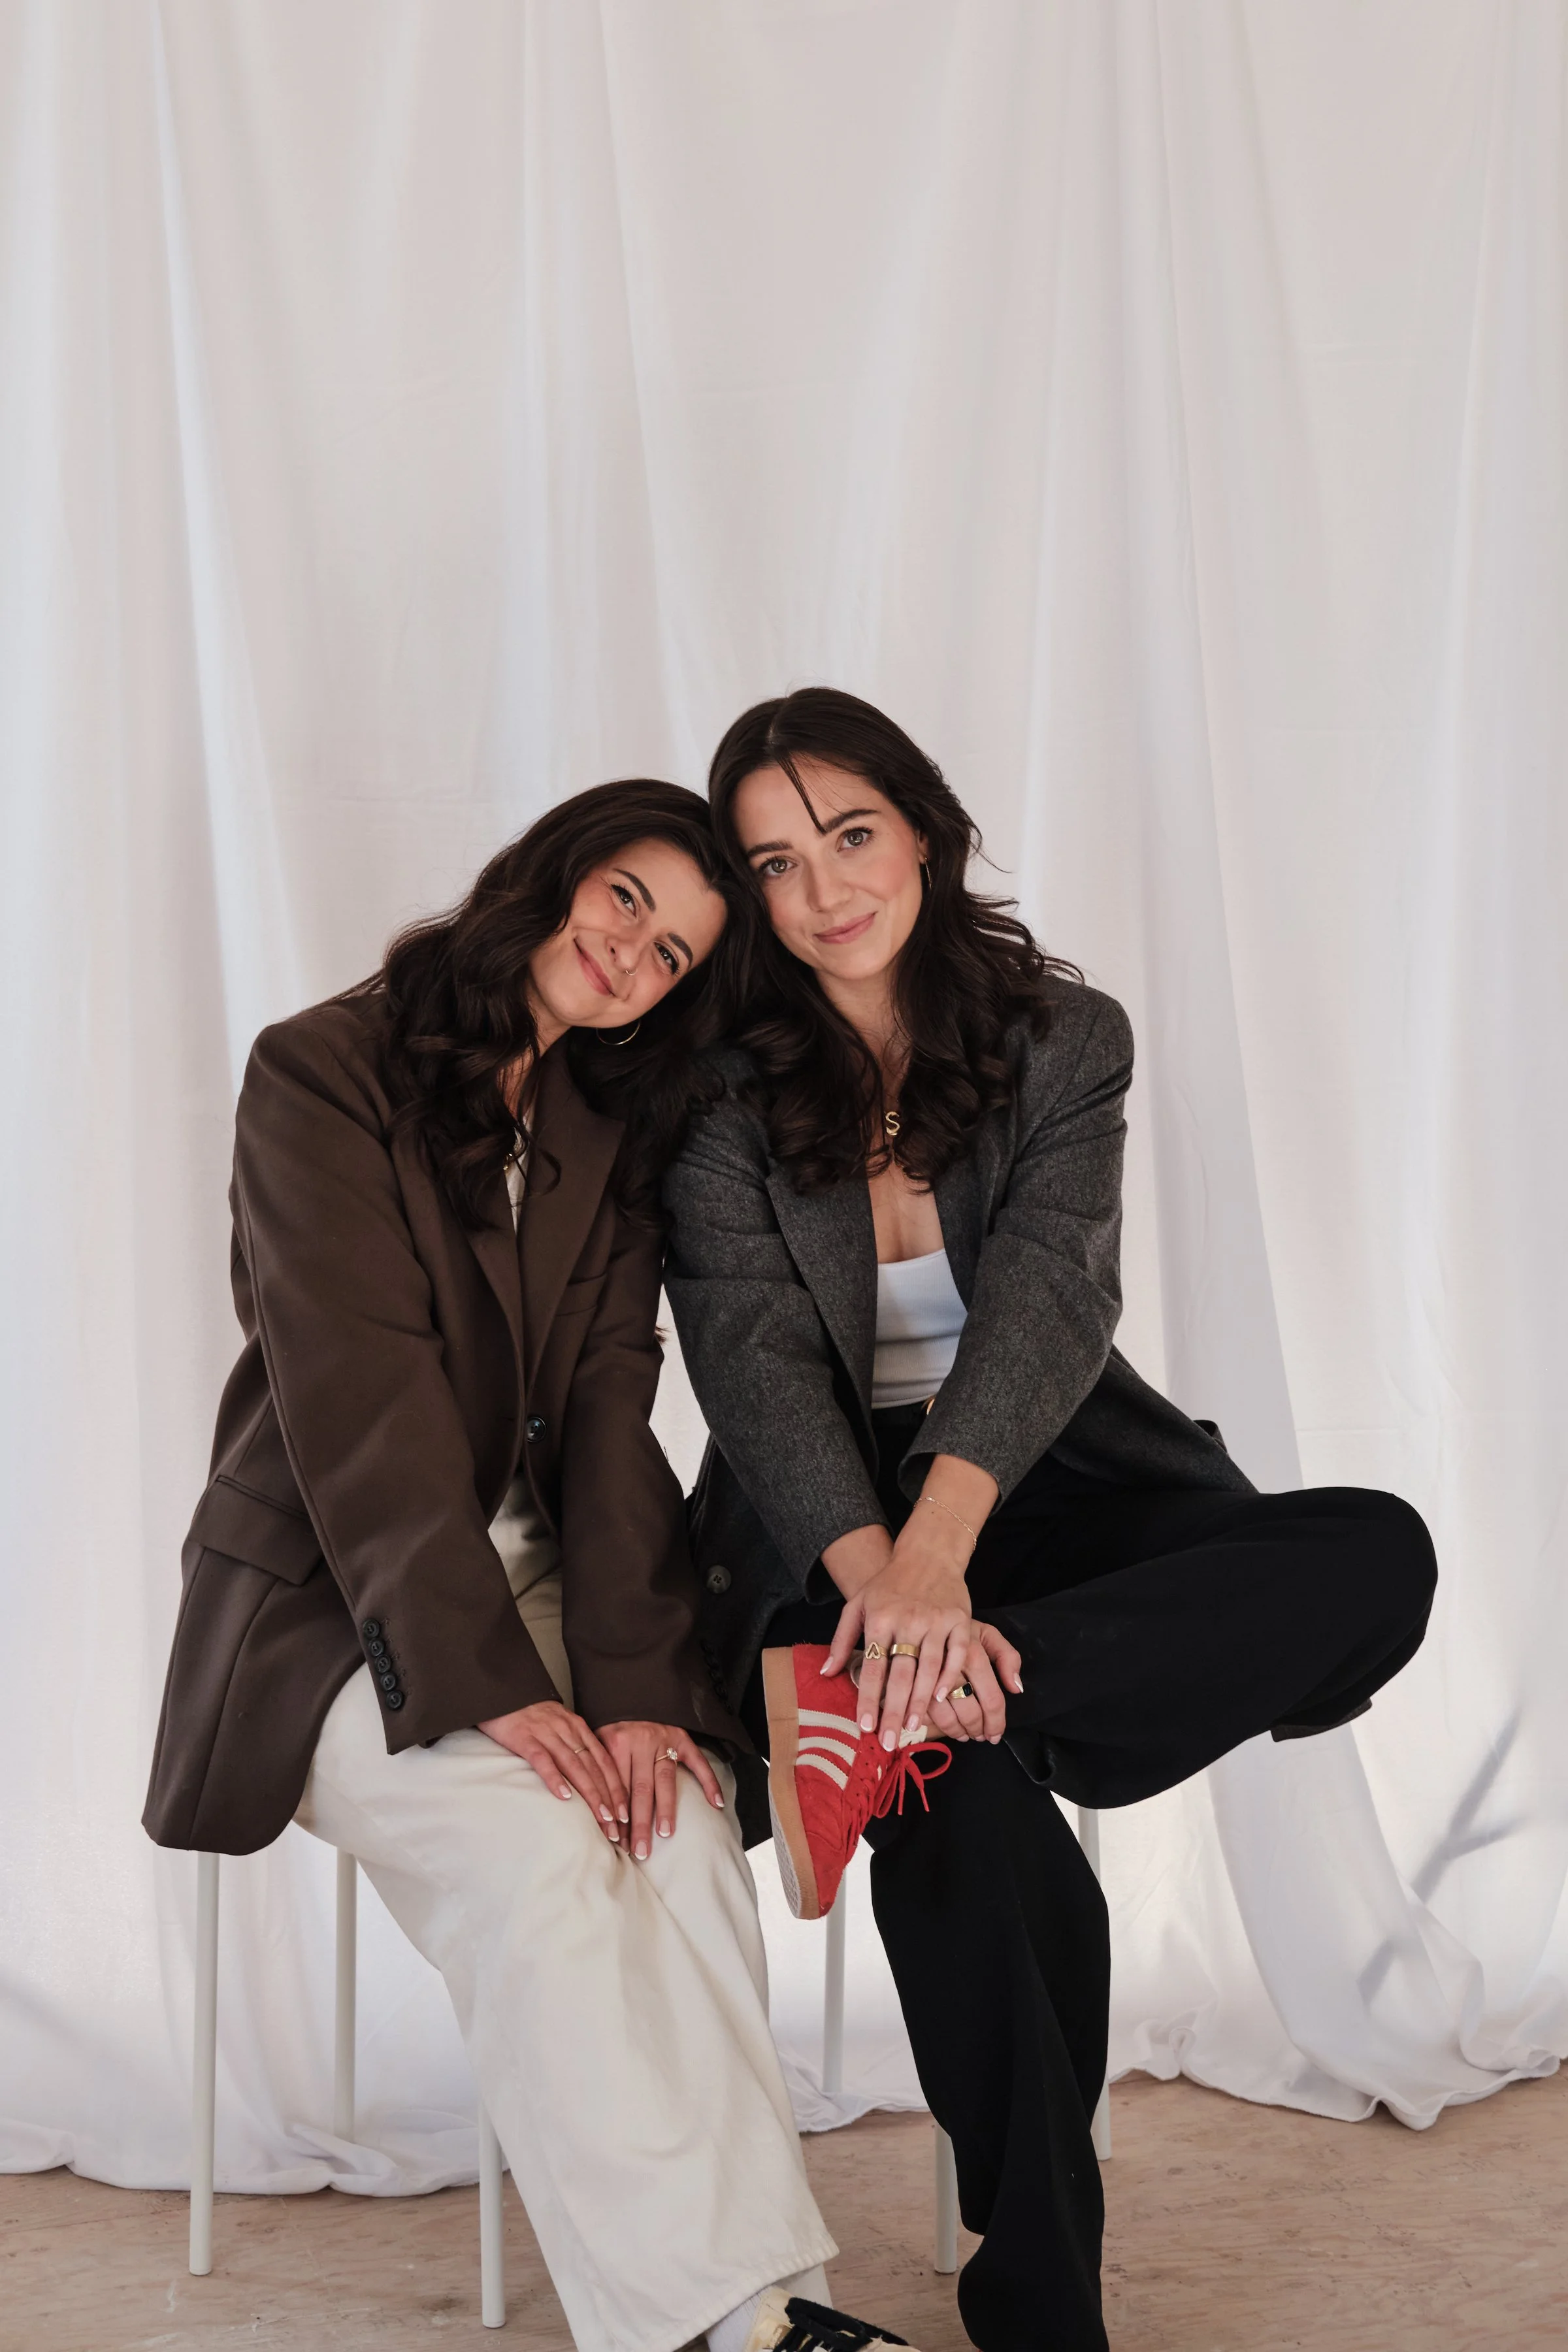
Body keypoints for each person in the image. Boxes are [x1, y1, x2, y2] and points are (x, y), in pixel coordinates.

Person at [663, 692, 1439, 2352]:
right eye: (776, 863)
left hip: (1041, 1478)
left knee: (1378, 1550)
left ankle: (941, 1698)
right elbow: (747, 1357)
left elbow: (1048, 1301)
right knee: (964, 1826)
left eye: (853, 837)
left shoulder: (1060, 1041)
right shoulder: (714, 1093)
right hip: (823, 1525)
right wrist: (881, 1579)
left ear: (925, 835)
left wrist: (946, 1582)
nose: (825, 892)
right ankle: (1040, 2320)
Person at [143, 779, 920, 2352]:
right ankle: (721, 2331)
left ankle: (776, 2308)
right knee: (542, 1854)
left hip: (544, 1574)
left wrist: (641, 1694)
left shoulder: (602, 1124)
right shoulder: (319, 1072)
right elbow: (360, 1421)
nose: (639, 955)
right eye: (627, 900)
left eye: (682, 951)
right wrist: (498, 1695)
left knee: (682, 1820)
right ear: (555, 872)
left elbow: (615, 1429)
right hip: (335, 1606)